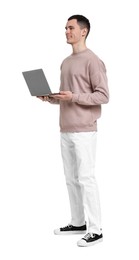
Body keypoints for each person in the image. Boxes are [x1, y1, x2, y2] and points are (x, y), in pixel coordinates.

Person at [38, 14, 109, 247]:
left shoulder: (93, 61)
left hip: (85, 130)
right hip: (65, 128)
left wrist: (74, 96)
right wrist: (50, 98)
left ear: (83, 31)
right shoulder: (66, 62)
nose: (66, 31)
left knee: (86, 178)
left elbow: (103, 95)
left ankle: (96, 229)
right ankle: (78, 222)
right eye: (65, 28)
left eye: (70, 28)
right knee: (71, 179)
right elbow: (67, 97)